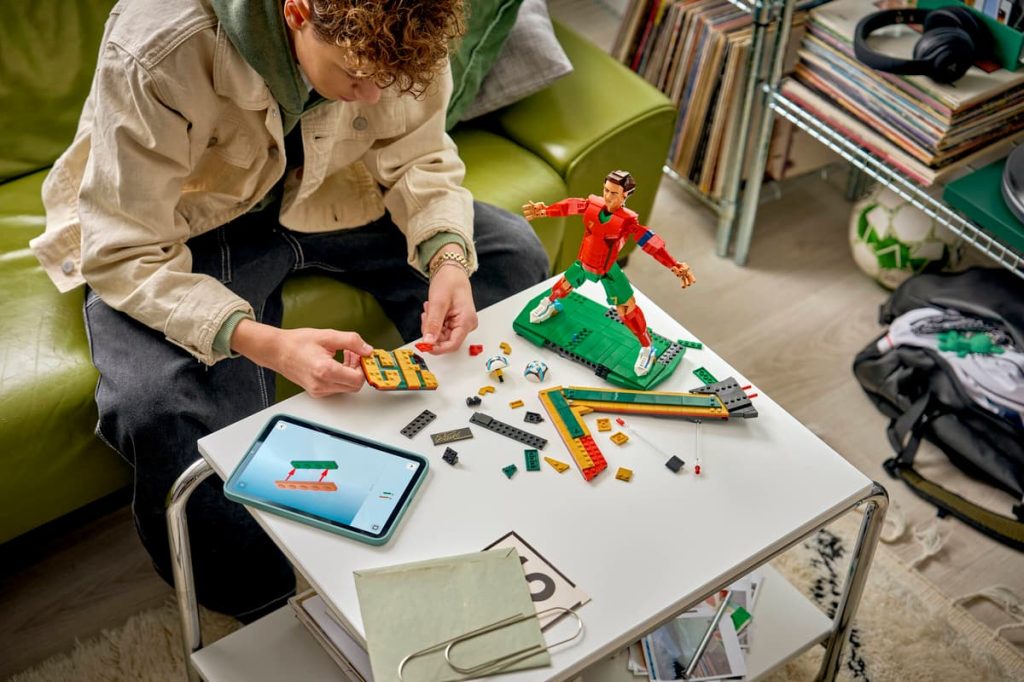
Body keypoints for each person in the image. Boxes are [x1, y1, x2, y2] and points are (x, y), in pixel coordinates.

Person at [29, 0, 548, 621]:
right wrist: (264, 342)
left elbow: (420, 156)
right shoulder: (158, 45)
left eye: (390, 82)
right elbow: (123, 246)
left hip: (340, 189)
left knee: (507, 254)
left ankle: (468, 475)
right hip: (188, 228)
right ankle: (263, 602)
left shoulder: (411, 29)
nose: (373, 96)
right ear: (298, 12)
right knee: (158, 405)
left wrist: (448, 261)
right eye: (356, 79)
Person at [522, 170, 694, 376]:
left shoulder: (628, 221)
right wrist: (546, 211)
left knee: (627, 311)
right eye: (606, 190)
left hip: (608, 269)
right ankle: (550, 304)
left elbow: (650, 243)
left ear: (625, 195)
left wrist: (674, 265)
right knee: (562, 286)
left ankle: (648, 348)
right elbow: (570, 206)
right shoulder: (592, 205)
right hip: (585, 261)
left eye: (614, 193)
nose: (608, 196)